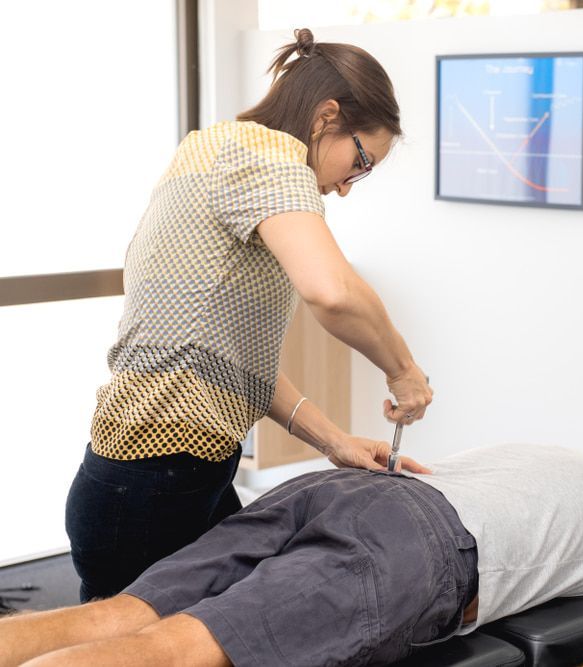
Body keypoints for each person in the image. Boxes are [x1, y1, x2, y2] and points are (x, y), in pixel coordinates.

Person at [65, 28, 433, 603]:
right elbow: (332, 292)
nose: (346, 189)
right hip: (154, 485)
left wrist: (333, 440)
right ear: (325, 117)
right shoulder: (269, 155)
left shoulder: (212, 146)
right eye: (360, 161)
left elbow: (226, 360)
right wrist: (404, 371)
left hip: (167, 476)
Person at [2, 445, 583, 667]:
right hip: (414, 546)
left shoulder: (553, 457)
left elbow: (432, 478)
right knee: (179, 647)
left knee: (120, 613)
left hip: (343, 488)